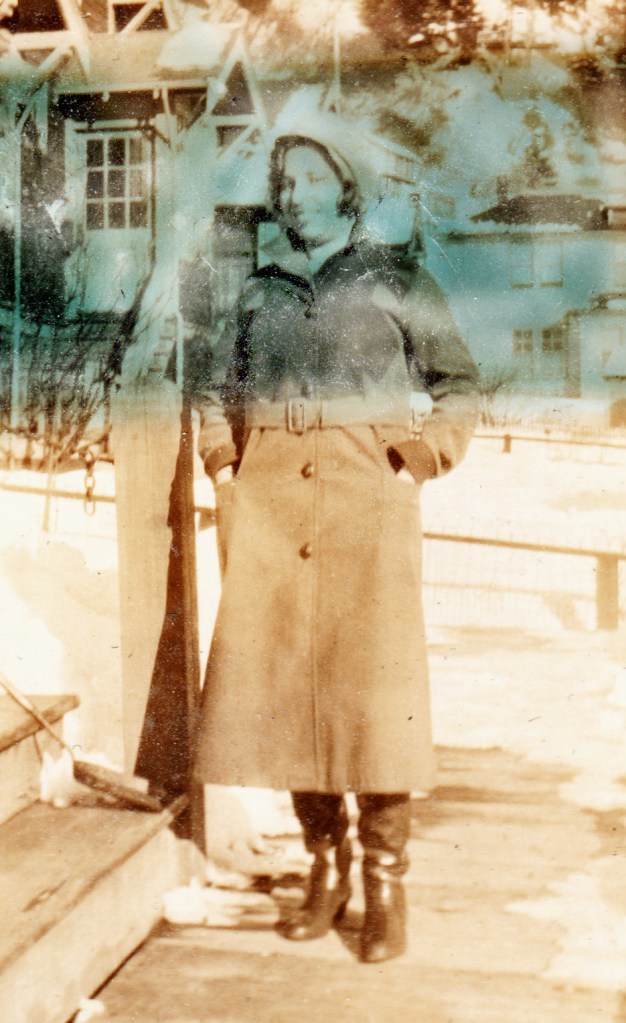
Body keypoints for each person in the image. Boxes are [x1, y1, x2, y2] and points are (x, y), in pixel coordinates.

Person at [194, 118, 480, 963]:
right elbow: (215, 389)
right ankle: (326, 861)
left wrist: (420, 459)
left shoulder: (399, 278)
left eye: (313, 179)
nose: (295, 195)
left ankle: (386, 875)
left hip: (369, 504)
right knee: (287, 683)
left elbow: (459, 383)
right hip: (272, 509)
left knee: (375, 693)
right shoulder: (258, 290)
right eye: (285, 183)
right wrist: (223, 468)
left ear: (345, 188)